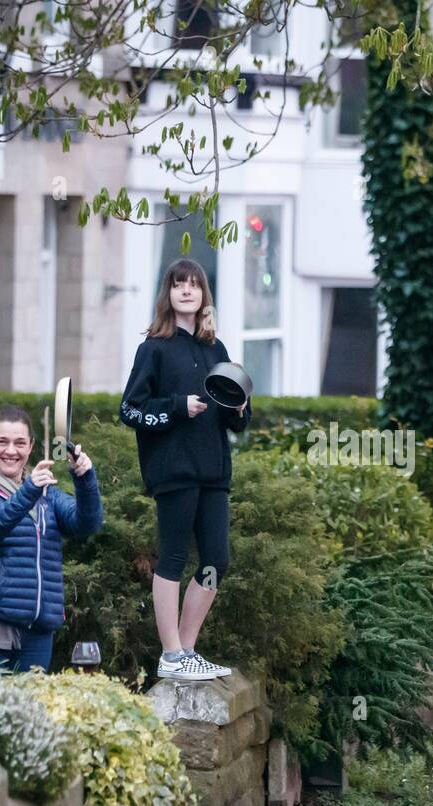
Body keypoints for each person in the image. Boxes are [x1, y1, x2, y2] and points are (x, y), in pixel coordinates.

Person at [120, 258, 252, 682]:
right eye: (179, 285)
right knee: (174, 556)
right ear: (168, 294)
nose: (187, 291)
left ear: (203, 295)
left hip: (214, 473)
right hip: (174, 472)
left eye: (195, 285)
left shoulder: (217, 350)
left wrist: (242, 408)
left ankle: (187, 648)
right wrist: (179, 407)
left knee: (216, 558)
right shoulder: (153, 349)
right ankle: (171, 653)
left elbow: (235, 420)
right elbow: (129, 409)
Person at [0, 405, 103, 673]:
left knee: (31, 714)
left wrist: (85, 479)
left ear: (31, 446)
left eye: (20, 443)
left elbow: (87, 525)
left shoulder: (46, 493)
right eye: (2, 442)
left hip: (37, 635)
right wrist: (27, 492)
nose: (11, 451)